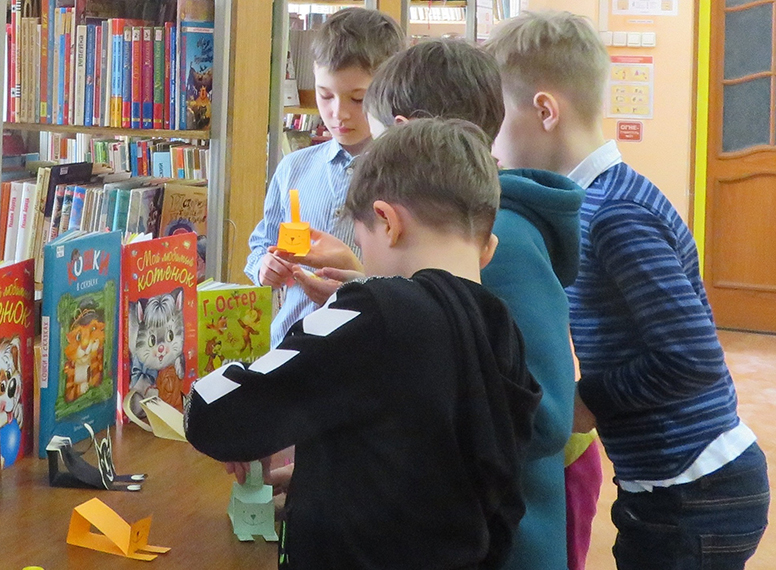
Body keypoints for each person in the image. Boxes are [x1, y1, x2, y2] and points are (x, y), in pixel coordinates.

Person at [280, 39, 585, 570]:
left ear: (408, 134)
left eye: (377, 141)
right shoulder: (468, 236)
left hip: (500, 542)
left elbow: (546, 416)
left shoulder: (498, 243)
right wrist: (371, 288)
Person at [185, 118, 542, 569]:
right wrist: (323, 475)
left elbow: (221, 414)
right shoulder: (500, 327)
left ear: (388, 223)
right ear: (487, 247)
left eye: (360, 241)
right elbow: (465, 476)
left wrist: (196, 395)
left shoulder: (374, 310)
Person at [486, 11, 770, 570]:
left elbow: (691, 357)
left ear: (545, 111)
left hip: (696, 491)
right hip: (669, 486)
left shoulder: (615, 213)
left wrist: (586, 401)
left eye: (496, 120)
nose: (491, 143)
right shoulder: (597, 201)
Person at [244, 7, 404, 348]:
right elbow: (262, 243)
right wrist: (264, 267)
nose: (338, 113)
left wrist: (354, 286)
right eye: (325, 95)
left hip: (365, 351)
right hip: (289, 347)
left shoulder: (404, 178)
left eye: (358, 99)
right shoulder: (294, 168)